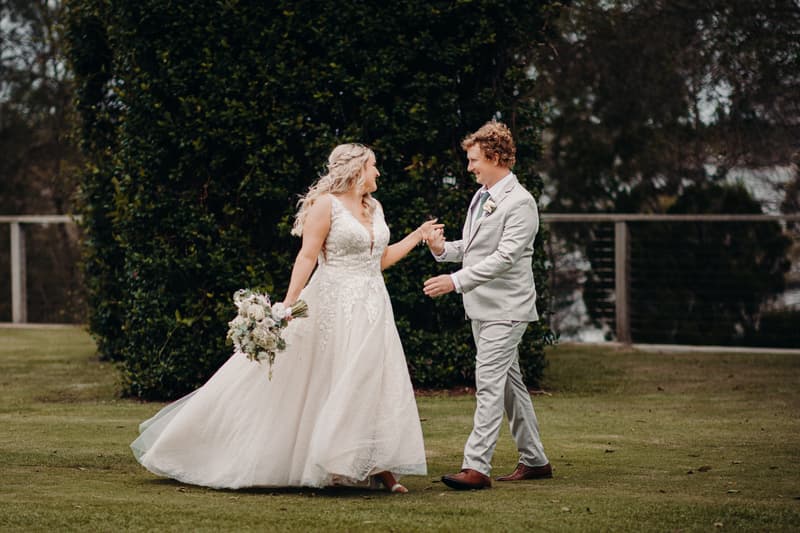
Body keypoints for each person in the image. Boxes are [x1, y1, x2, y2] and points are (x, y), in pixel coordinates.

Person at [132, 143, 440, 493]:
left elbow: (379, 259)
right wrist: (287, 306)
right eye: (373, 167)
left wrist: (417, 236)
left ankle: (376, 466)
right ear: (356, 170)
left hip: (372, 306)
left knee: (372, 379)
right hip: (332, 303)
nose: (378, 173)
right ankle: (321, 461)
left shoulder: (375, 206)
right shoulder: (326, 206)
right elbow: (307, 257)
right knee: (331, 377)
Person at [423, 120, 551, 490]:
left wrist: (455, 281)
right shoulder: (484, 195)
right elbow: (474, 246)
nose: (470, 167)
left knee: (489, 383)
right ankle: (536, 460)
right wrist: (442, 250)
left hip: (507, 309)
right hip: (482, 307)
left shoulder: (521, 202)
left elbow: (506, 257)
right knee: (510, 385)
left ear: (495, 157)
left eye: (474, 159)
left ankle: (476, 467)